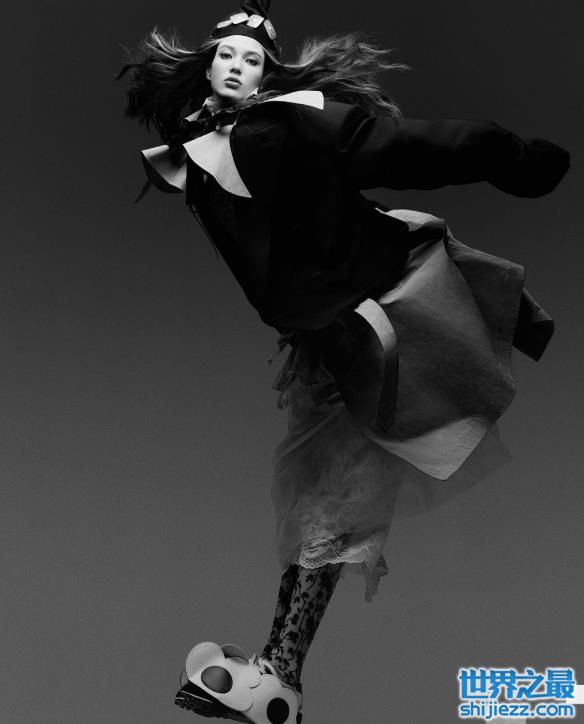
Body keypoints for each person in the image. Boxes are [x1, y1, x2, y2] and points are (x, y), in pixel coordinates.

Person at [118, 2, 570, 722]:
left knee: (335, 499)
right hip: (323, 339)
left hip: (381, 322)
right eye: (226, 55)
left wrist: (505, 154)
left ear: (268, 77)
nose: (235, 66)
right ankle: (279, 670)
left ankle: (281, 678)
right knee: (314, 500)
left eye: (251, 60)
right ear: (207, 64)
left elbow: (400, 146)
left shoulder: (291, 122)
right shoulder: (203, 142)